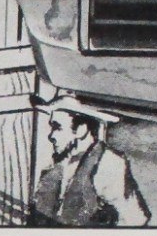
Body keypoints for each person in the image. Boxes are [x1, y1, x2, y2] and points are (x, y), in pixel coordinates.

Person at [32, 95, 150, 227]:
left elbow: (134, 219)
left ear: (81, 130)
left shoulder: (108, 162)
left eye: (58, 127)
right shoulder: (59, 162)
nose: (51, 136)